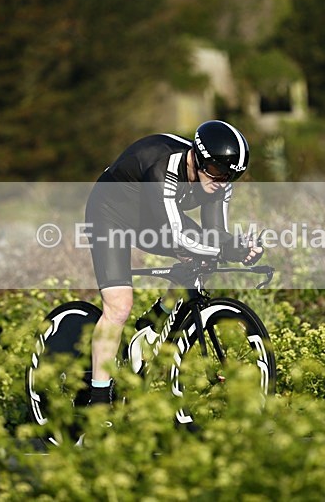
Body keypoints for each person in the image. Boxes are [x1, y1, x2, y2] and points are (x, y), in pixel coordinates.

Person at [84, 120, 263, 405]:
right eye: (217, 172)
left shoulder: (219, 180)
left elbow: (216, 234)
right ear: (198, 157)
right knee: (118, 307)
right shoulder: (163, 165)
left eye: (232, 177)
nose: (222, 182)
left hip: (151, 216)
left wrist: (239, 248)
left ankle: (152, 324)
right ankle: (99, 401)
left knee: (201, 259)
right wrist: (225, 249)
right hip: (110, 216)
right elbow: (178, 235)